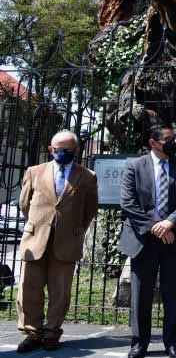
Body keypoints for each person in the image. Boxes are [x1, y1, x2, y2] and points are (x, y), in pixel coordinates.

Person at [118, 125, 176, 358]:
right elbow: (128, 203)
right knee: (140, 294)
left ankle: (172, 344)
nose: (173, 142)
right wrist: (156, 227)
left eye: (174, 138)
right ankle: (139, 343)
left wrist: (170, 222)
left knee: (173, 294)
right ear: (152, 142)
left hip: (174, 238)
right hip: (143, 238)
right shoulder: (134, 166)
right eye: (167, 139)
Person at [16, 130, 98, 353]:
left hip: (66, 241)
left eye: (67, 150)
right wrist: (37, 224)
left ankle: (52, 333)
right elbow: (24, 204)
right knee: (28, 288)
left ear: (76, 150)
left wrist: (75, 228)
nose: (61, 153)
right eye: (57, 149)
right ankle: (32, 333)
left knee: (60, 290)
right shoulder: (34, 171)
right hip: (35, 239)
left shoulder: (87, 176)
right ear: (51, 149)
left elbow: (90, 208)